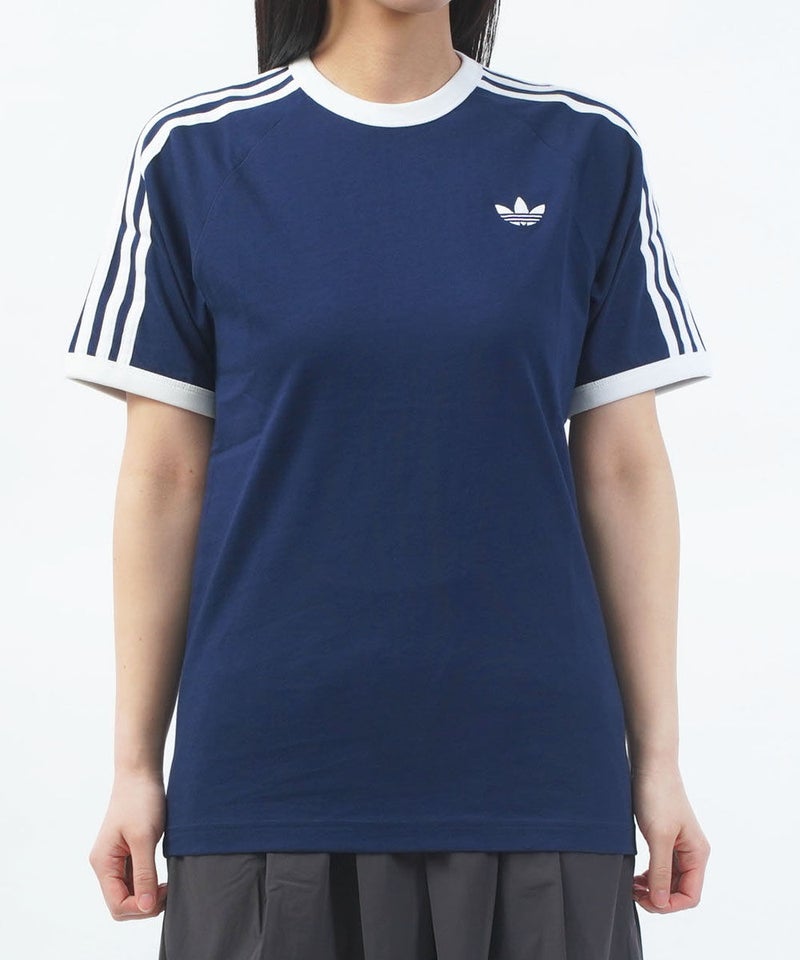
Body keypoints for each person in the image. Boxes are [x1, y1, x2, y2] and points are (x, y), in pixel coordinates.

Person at [65, 1, 713, 957]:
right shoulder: (197, 154)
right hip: (272, 775)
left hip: (534, 775)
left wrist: (658, 762)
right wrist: (133, 766)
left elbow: (624, 470)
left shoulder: (584, 151)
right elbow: (164, 477)